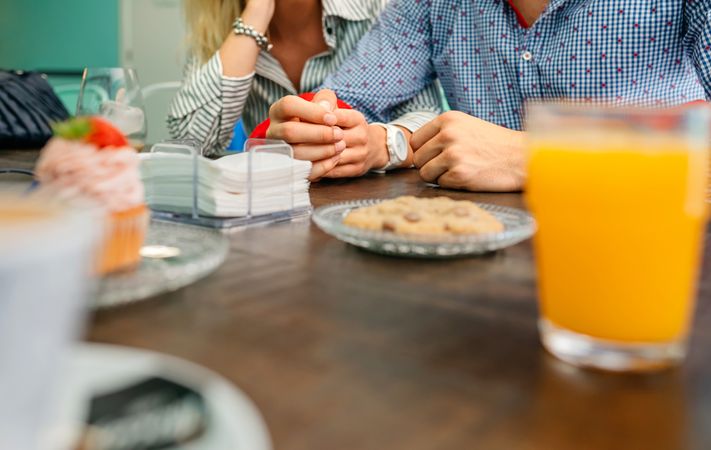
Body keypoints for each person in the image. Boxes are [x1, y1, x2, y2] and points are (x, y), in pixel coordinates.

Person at [266, 0, 711, 191]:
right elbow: (346, 100)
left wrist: (537, 157)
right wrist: (324, 130)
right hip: (477, 283)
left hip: (651, 260)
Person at [167, 0, 442, 179]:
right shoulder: (220, 29)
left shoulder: (376, 9)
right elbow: (191, 143)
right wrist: (256, 14)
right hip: (275, 208)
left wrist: (378, 145)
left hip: (373, 201)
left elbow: (429, 119)